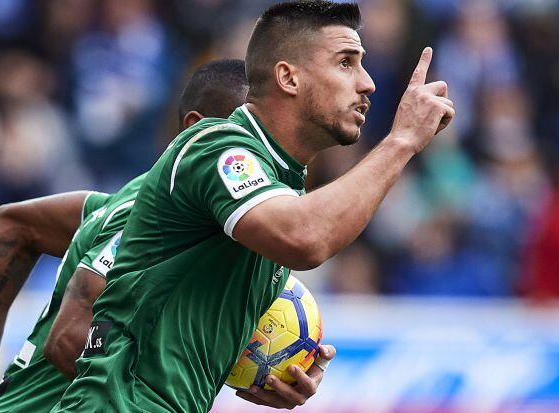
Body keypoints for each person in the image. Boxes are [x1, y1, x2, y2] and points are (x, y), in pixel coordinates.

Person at [52, 2, 454, 412]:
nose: (368, 83)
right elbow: (305, 239)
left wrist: (265, 369)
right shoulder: (218, 147)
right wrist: (401, 140)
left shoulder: (280, 186)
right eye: (346, 63)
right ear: (288, 77)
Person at [0, 60, 332, 413]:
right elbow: (70, 338)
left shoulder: (131, 207)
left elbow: (15, 226)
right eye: (244, 136)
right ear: (195, 128)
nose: (254, 159)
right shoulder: (139, 216)